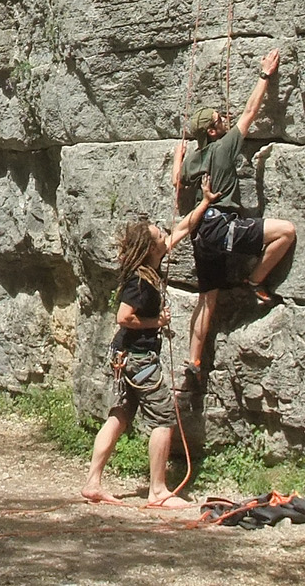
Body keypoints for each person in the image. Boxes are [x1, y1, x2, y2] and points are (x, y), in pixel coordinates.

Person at [81, 177, 216, 507]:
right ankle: (158, 491)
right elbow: (123, 317)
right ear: (152, 248)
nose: (165, 237)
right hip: (138, 358)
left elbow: (181, 228)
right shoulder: (140, 282)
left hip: (125, 357)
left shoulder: (149, 264)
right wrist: (158, 322)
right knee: (164, 417)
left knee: (121, 414)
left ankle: (93, 483)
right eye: (159, 236)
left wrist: (204, 202)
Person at [173, 47, 299, 389]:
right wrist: (265, 74)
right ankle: (256, 280)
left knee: (207, 297)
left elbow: (177, 181)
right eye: (219, 120)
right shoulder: (225, 146)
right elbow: (250, 111)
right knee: (286, 231)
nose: (224, 120)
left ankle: (194, 359)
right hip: (222, 226)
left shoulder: (196, 158)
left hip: (202, 233)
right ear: (214, 131)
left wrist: (178, 158)